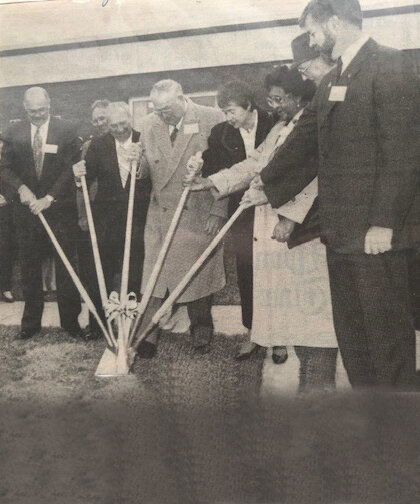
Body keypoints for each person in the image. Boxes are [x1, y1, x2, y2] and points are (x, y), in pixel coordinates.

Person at [259, 0, 420, 388]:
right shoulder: (333, 79)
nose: (312, 42)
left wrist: (383, 223)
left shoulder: (390, 64)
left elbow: (403, 152)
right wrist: (263, 182)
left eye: (313, 31)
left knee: (387, 339)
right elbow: (304, 141)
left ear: (334, 22)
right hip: (341, 235)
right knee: (354, 339)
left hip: (375, 235)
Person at [186, 61, 339, 391]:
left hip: (301, 231)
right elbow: (255, 162)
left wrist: (291, 217)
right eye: (271, 99)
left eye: (279, 99)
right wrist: (211, 181)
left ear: (298, 98)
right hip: (272, 224)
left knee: (309, 311)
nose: (273, 105)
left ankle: (316, 385)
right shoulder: (282, 127)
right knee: (286, 305)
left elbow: (316, 176)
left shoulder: (310, 127)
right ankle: (299, 382)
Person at [131, 79, 227, 358]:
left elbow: (226, 167)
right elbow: (147, 169)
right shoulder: (149, 124)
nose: (162, 115)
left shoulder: (212, 118)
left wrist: (218, 211)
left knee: (198, 273)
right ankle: (148, 331)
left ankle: (201, 327)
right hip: (160, 213)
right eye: (157, 110)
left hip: (197, 210)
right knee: (155, 274)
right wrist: (137, 164)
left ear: (182, 98)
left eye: (167, 109)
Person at [199, 80, 277, 360]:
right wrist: (198, 167)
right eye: (224, 111)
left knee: (275, 268)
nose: (228, 117)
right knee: (247, 270)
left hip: (273, 208)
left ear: (248, 106)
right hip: (242, 211)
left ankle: (278, 335)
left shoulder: (276, 123)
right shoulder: (221, 133)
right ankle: (253, 332)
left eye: (232, 111)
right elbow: (214, 167)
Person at [0, 87, 84, 340]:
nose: (37, 115)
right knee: (29, 266)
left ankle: (70, 322)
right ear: (24, 108)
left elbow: (71, 168)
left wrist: (50, 198)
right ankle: (30, 323)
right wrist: (21, 189)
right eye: (32, 111)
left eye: (41, 110)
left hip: (59, 210)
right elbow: (5, 168)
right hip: (26, 212)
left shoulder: (66, 131)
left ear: (49, 105)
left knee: (66, 265)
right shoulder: (13, 134)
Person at [72, 102, 150, 338]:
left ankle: (130, 324)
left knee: (134, 271)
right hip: (105, 221)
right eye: (113, 125)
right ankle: (99, 326)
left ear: (130, 119)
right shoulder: (98, 144)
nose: (118, 129)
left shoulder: (143, 139)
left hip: (137, 218)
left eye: (122, 124)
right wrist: (78, 177)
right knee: (101, 273)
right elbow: (87, 178)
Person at [0, 138, 16, 303]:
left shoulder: (9, 162)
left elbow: (15, 182)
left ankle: (5, 287)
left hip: (4, 212)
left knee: (4, 248)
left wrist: (7, 198)